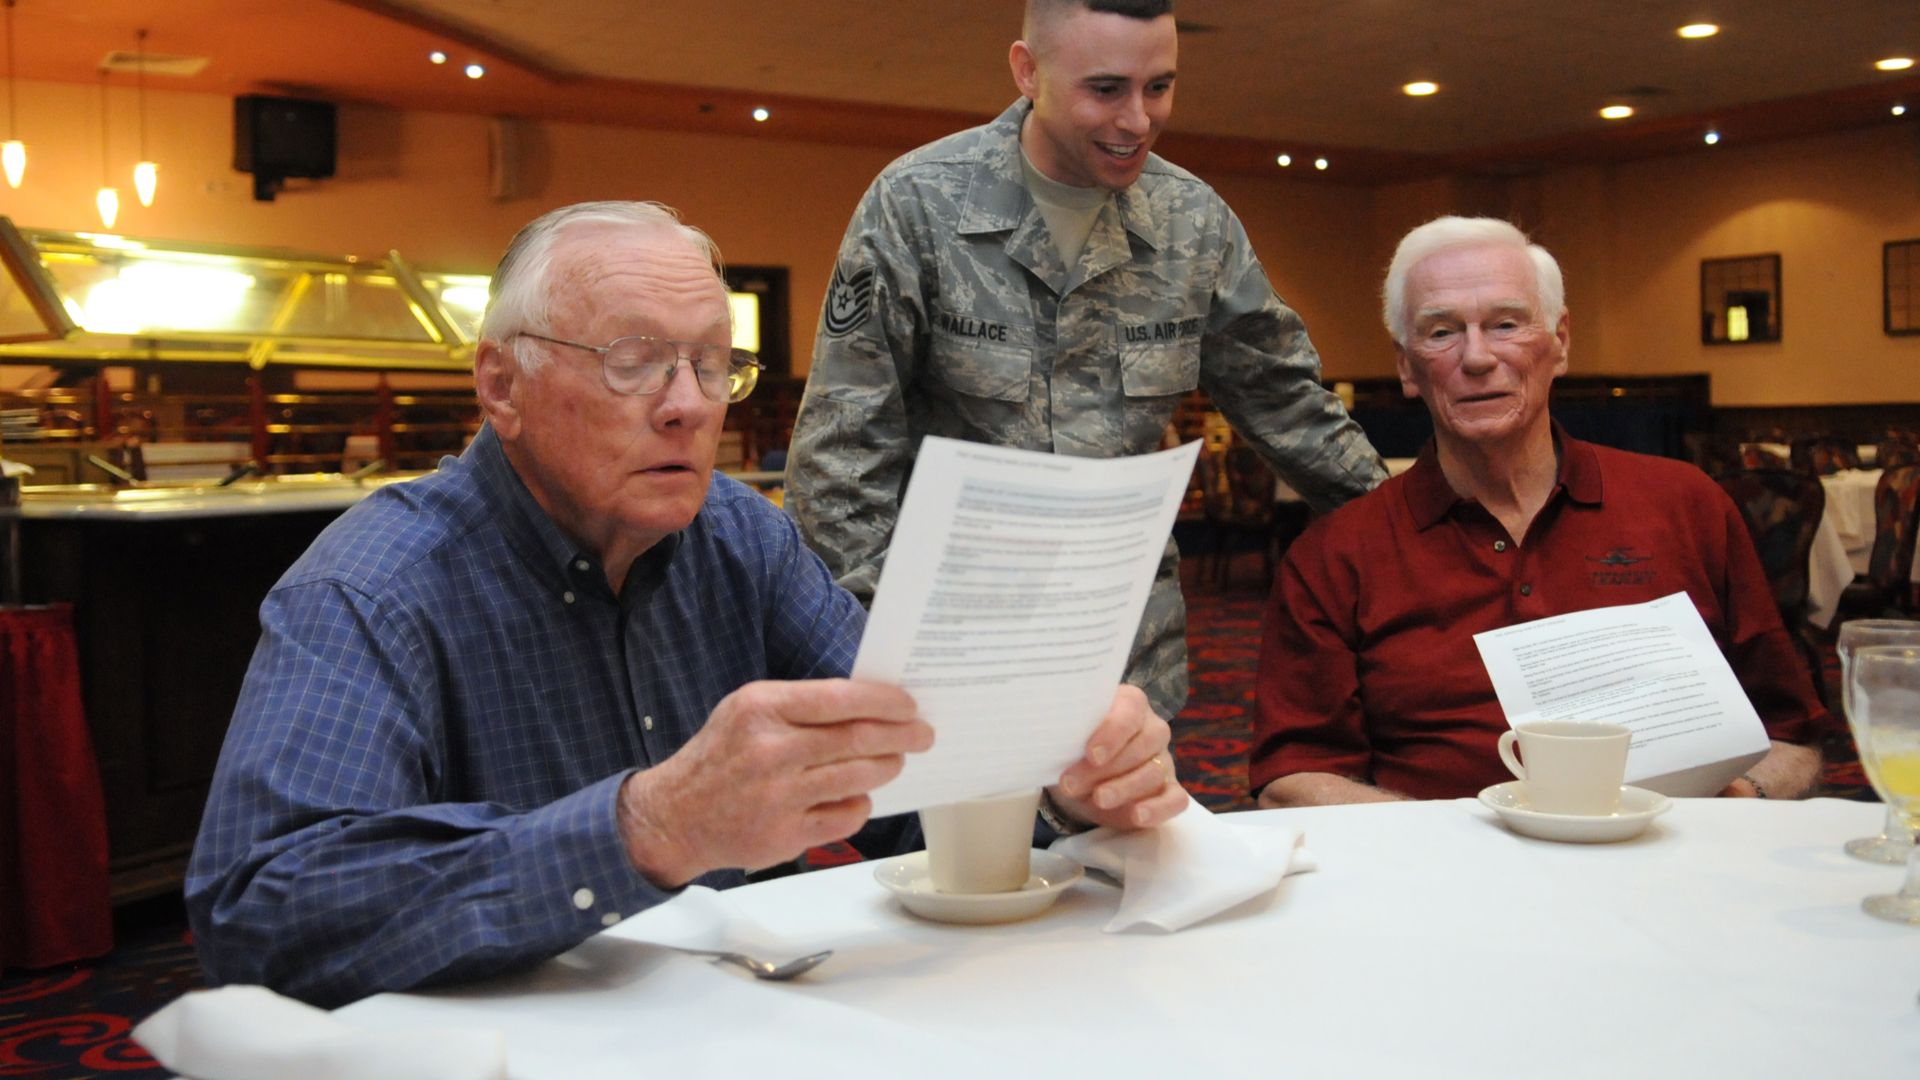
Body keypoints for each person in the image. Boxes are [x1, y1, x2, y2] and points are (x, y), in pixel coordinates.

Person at [186, 201, 1186, 1008]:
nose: (688, 404)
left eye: (713, 364)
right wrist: (648, 829)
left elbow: (901, 777)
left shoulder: (737, 536)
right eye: (631, 360)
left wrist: (1052, 785)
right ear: (502, 384)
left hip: (721, 1027)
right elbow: (261, 915)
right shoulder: (374, 586)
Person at [785, 0, 1385, 727]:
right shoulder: (919, 205)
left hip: (1122, 657)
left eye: (1158, 87)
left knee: (1116, 843)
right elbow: (842, 453)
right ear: (1028, 70)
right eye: (1105, 89)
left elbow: (1289, 406)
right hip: (949, 644)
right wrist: (874, 647)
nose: (1137, 119)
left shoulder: (1192, 222)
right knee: (971, 846)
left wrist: (1420, 540)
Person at [1251, 216, 1825, 807]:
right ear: (1406, 366)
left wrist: (1741, 798)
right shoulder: (1337, 554)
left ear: (1561, 341)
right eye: (1442, 332)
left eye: (1506, 324)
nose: (1477, 357)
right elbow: (1293, 778)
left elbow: (1791, 735)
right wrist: (1465, 848)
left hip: (1672, 860)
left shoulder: (1686, 504)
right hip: (1444, 884)